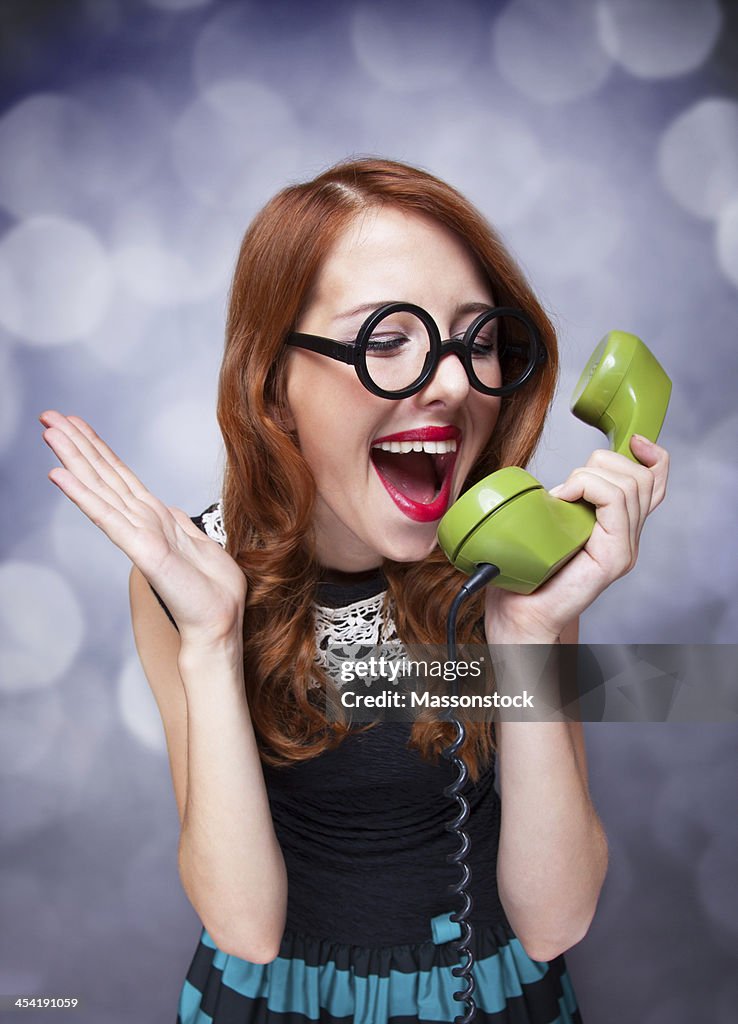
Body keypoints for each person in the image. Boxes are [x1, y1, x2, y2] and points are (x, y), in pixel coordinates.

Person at [40, 157, 669, 1024]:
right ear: (275, 388)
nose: (452, 382)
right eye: (386, 341)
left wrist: (528, 629)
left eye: (477, 340)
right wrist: (213, 638)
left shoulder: (513, 564)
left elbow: (557, 918)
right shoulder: (185, 581)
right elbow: (243, 927)